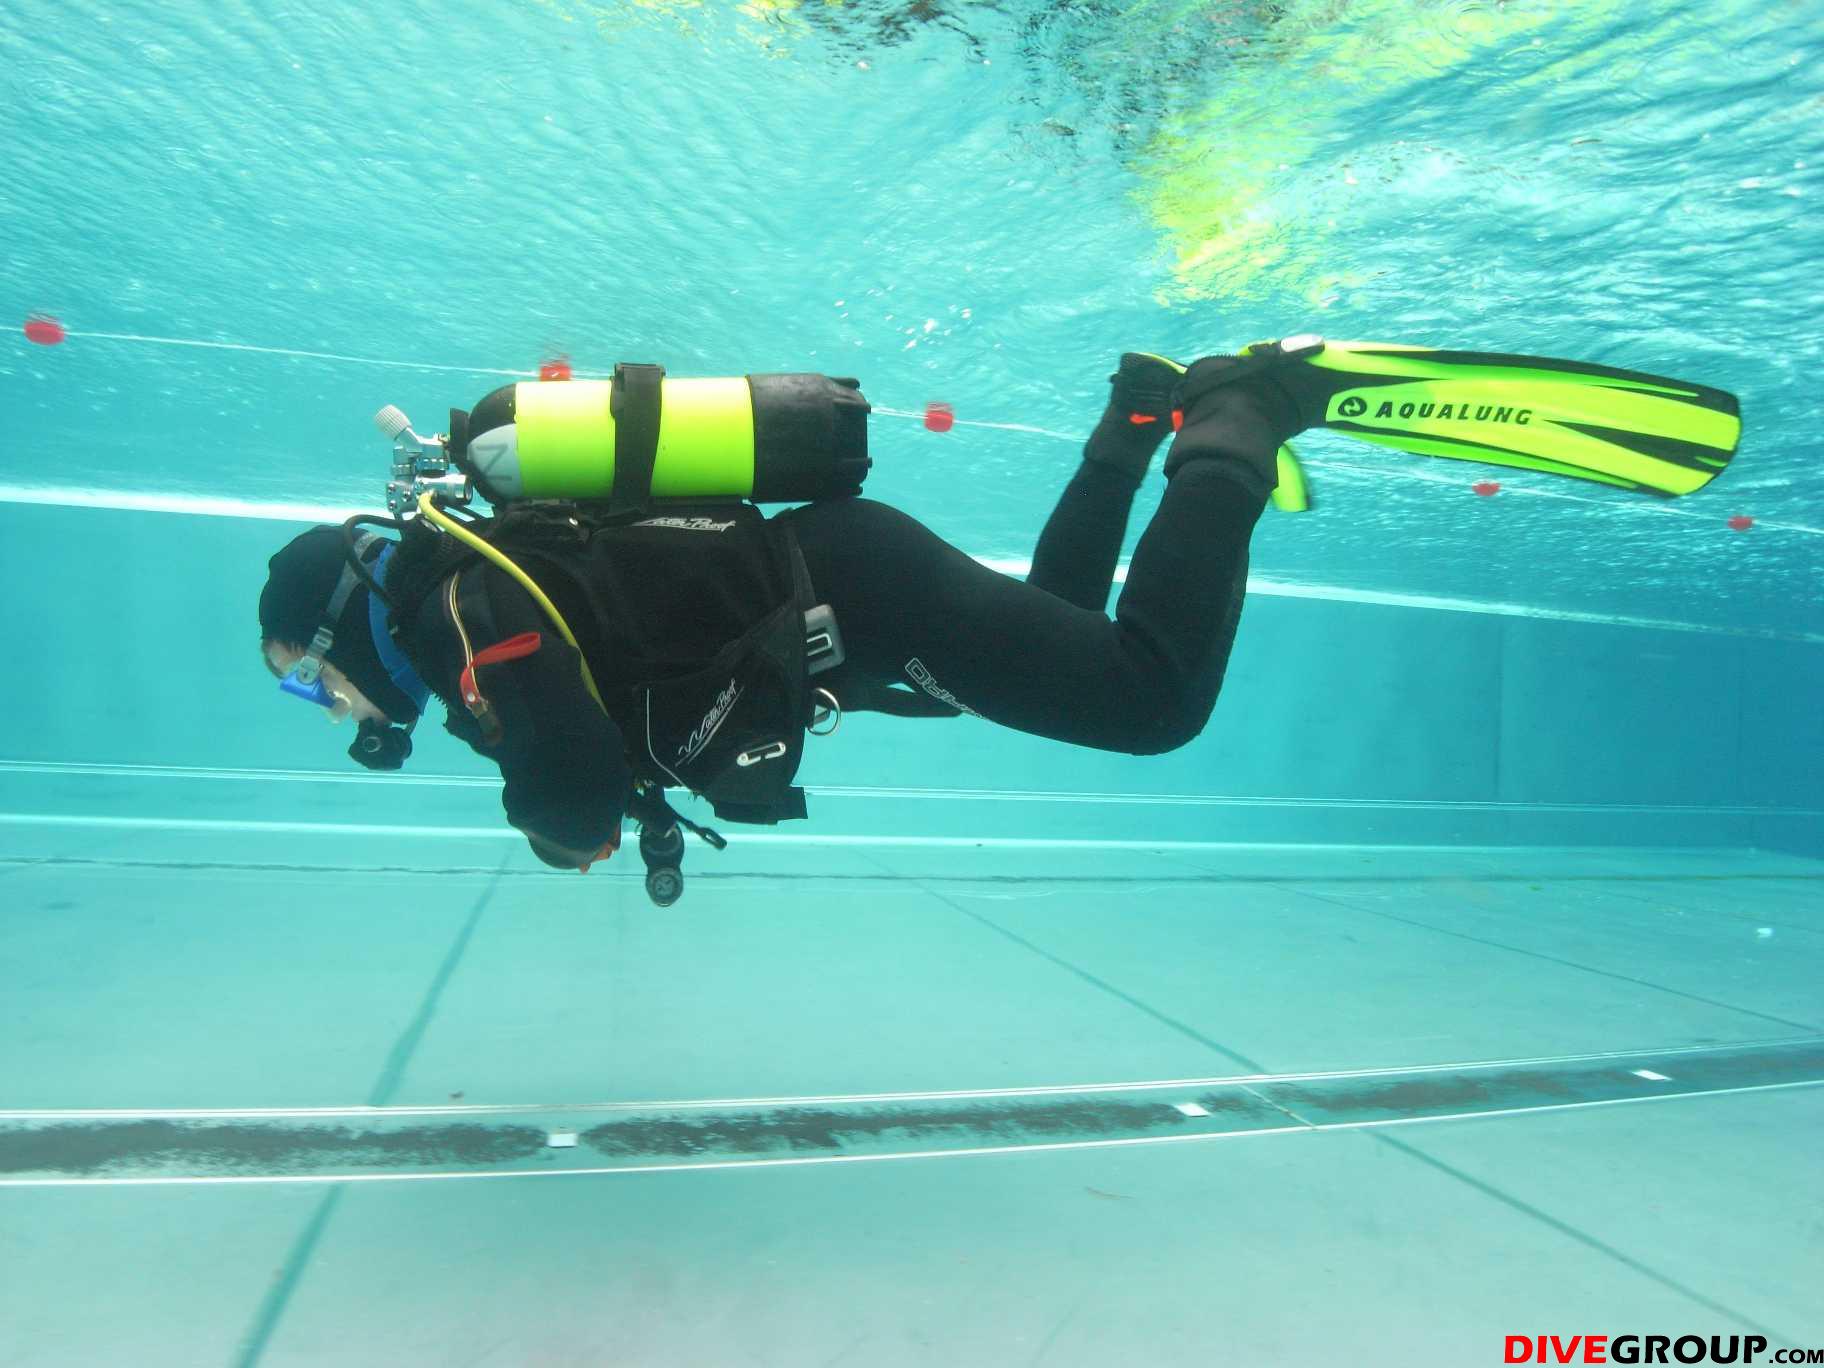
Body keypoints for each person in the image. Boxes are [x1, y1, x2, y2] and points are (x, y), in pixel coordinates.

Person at [259, 348, 1316, 876]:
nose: (332, 705)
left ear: (338, 625)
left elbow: (575, 802)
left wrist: (555, 832)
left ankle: (1237, 418)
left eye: (309, 679)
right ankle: (1136, 419)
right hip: (845, 583)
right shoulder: (462, 589)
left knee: (1147, 702)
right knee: (1060, 630)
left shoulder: (462, 620)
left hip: (860, 596)